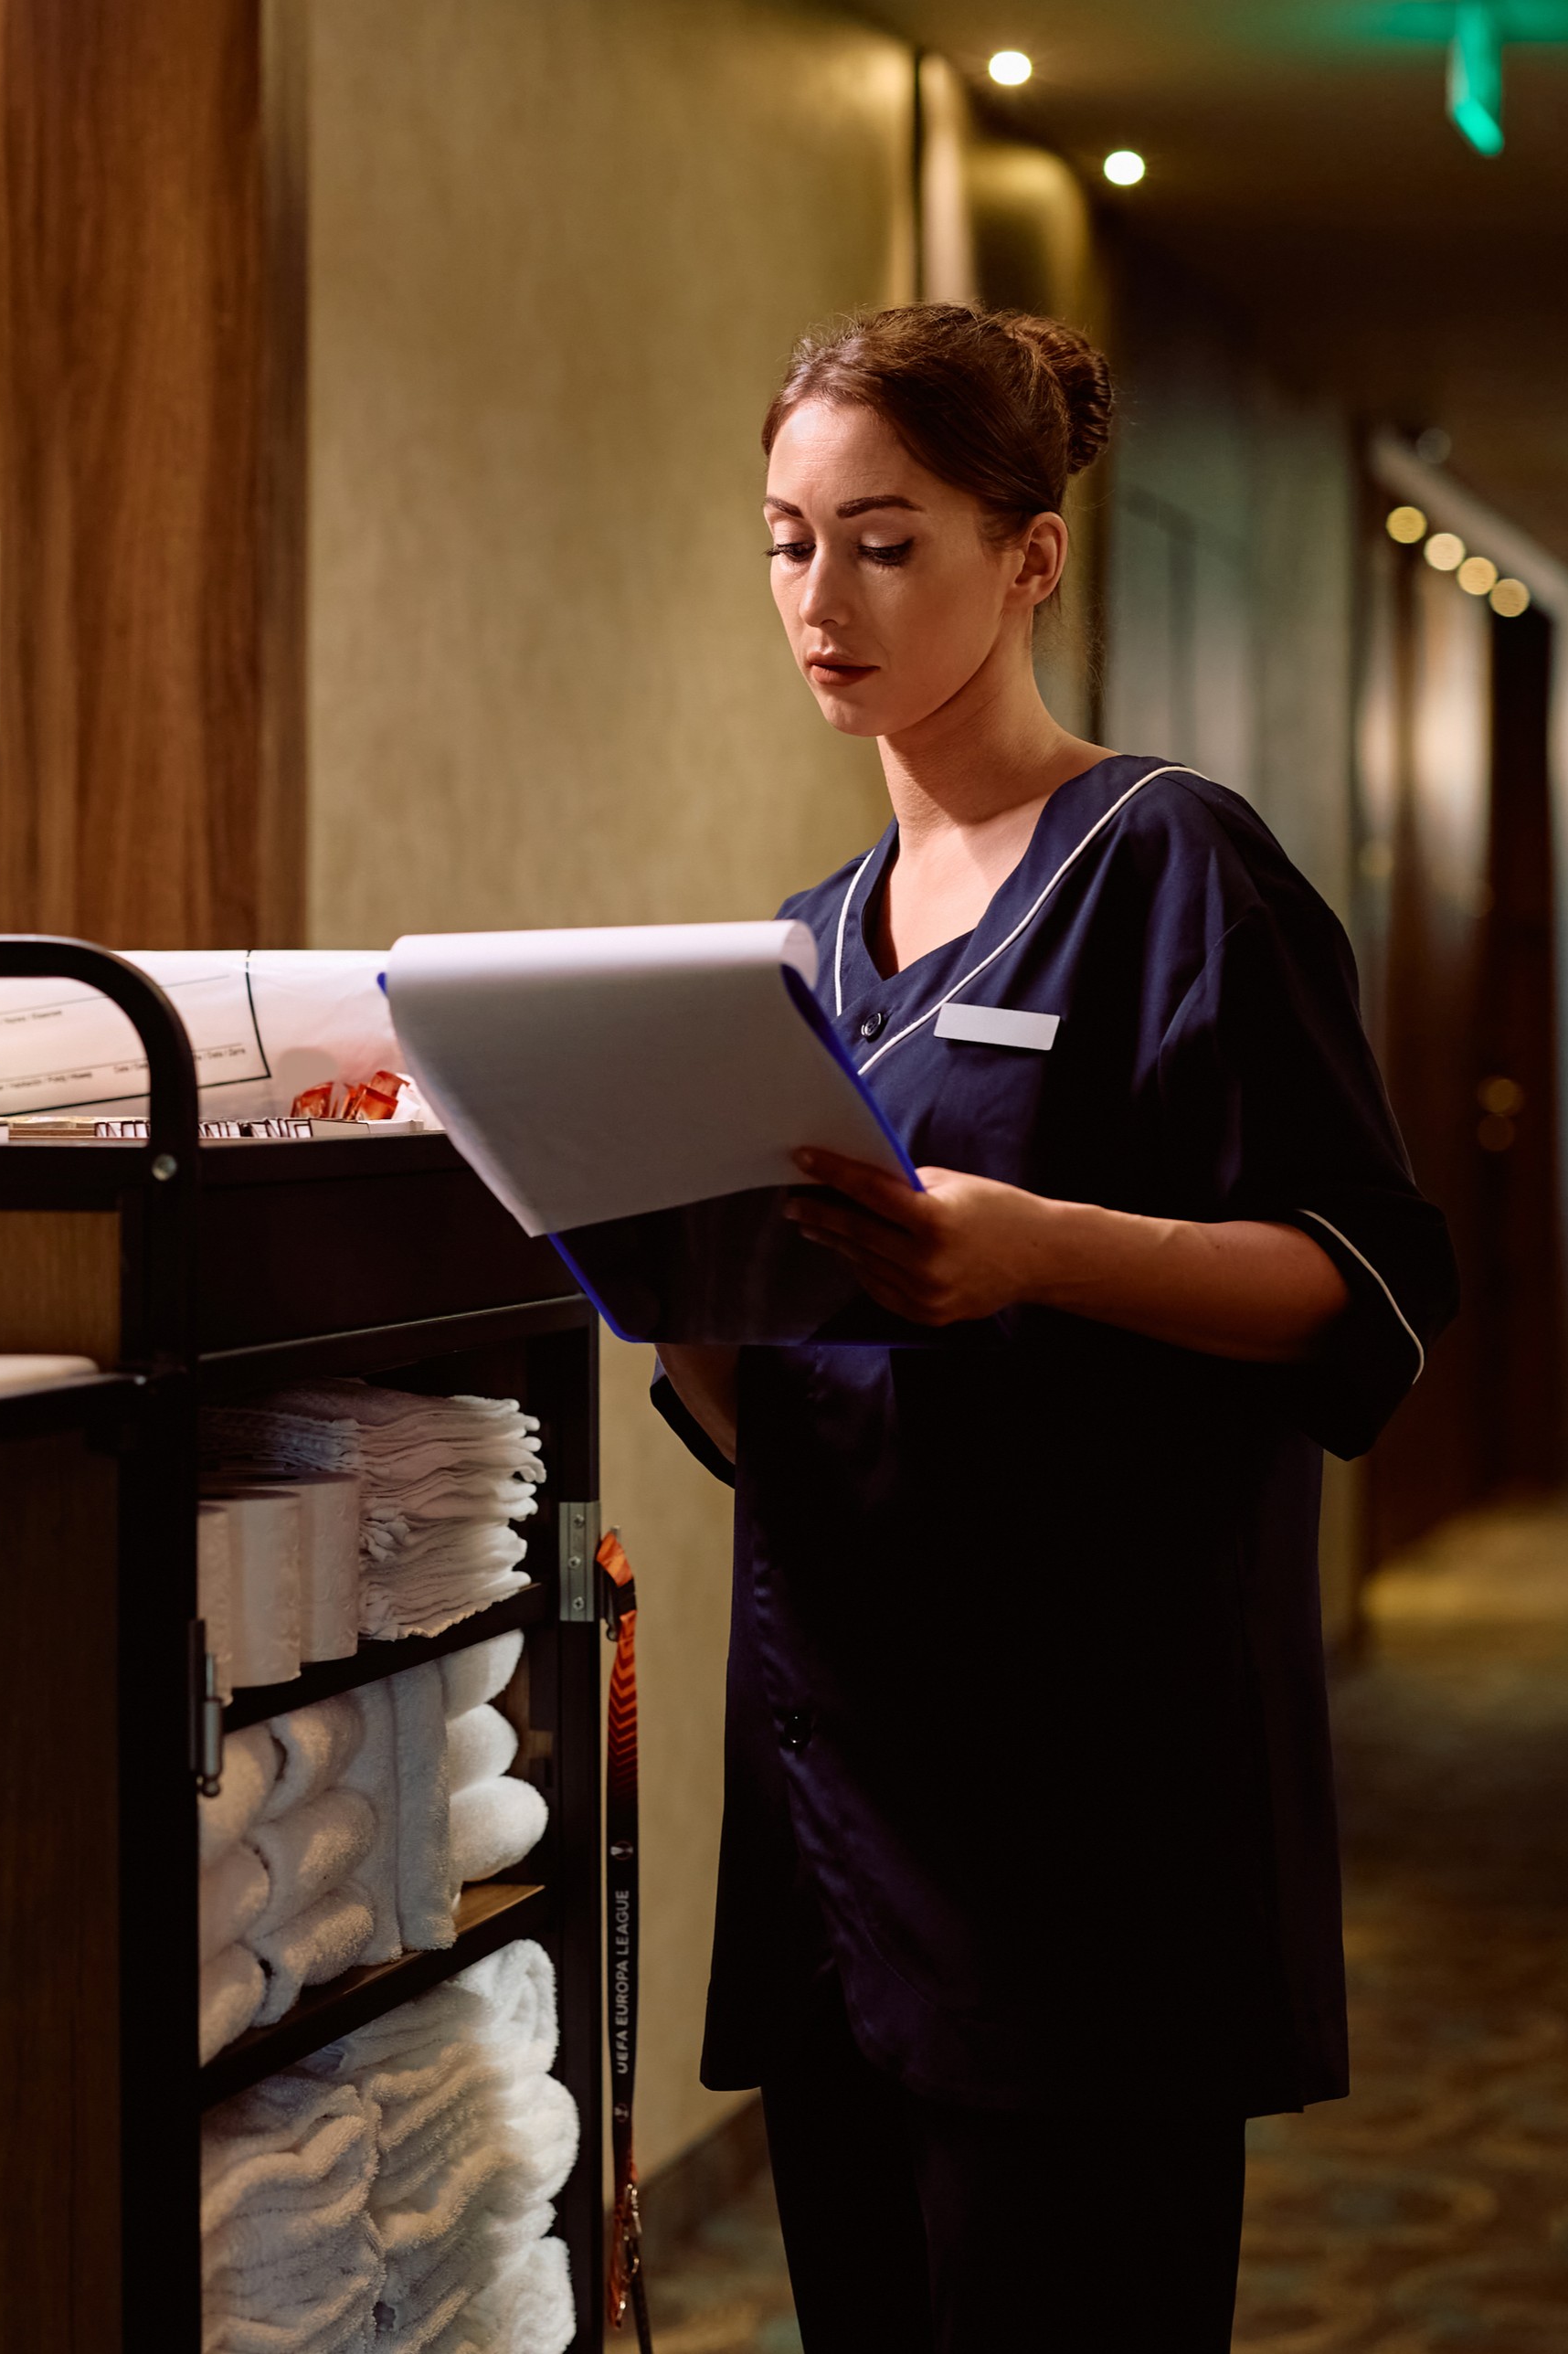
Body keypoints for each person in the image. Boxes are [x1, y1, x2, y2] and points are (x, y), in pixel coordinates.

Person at [651, 304, 1458, 2353]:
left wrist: (1034, 1252)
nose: (815, 601)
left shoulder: (1170, 867)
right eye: (782, 539)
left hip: (1084, 1811)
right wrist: (678, 1308)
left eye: (881, 541)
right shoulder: (801, 944)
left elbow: (1362, 1283)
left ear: (1028, 559)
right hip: (842, 1785)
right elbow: (802, 1404)